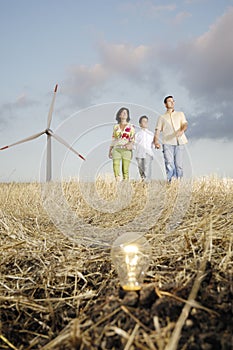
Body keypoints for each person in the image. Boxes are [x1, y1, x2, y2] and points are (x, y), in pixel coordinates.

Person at [153, 96, 188, 182]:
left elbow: (184, 124)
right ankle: (170, 183)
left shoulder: (180, 114)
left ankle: (178, 182)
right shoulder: (162, 117)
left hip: (180, 143)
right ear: (165, 104)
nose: (172, 102)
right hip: (167, 143)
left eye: (173, 101)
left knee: (179, 165)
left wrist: (181, 130)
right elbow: (157, 130)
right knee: (169, 164)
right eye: (169, 101)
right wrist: (156, 142)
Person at [109, 107, 135, 181]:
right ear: (119, 115)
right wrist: (110, 150)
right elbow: (113, 139)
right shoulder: (115, 127)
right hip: (116, 149)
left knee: (125, 168)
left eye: (126, 113)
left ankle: (125, 184)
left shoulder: (131, 127)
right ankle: (117, 181)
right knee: (115, 165)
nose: (124, 114)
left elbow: (133, 139)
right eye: (123, 112)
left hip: (126, 150)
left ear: (128, 116)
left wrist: (130, 144)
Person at [135, 115, 154, 181]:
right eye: (143, 121)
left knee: (147, 169)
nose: (145, 123)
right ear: (140, 124)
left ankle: (147, 184)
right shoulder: (137, 134)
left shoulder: (151, 134)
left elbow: (153, 144)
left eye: (146, 121)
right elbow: (134, 144)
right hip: (139, 154)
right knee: (141, 170)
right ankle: (143, 181)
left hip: (148, 153)